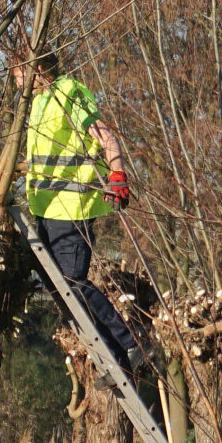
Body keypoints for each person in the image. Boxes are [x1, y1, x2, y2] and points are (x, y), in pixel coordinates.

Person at [11, 50, 146, 375]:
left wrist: (117, 175)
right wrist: (11, 170)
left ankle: (132, 342)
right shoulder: (40, 103)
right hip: (48, 208)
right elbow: (47, 160)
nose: (16, 82)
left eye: (18, 74)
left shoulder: (70, 95)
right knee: (60, 288)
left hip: (71, 208)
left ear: (37, 69)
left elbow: (107, 138)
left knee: (72, 280)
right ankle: (116, 358)